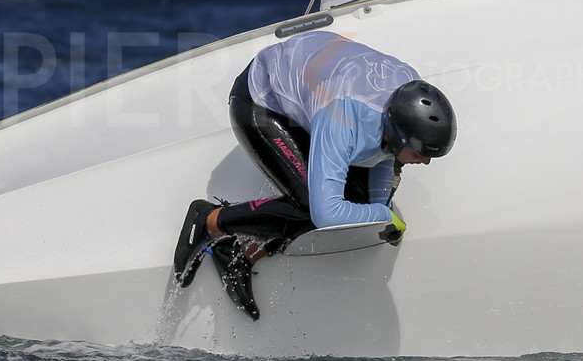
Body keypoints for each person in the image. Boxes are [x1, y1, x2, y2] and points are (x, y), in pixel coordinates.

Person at [172, 30, 457, 320]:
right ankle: (209, 220)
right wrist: (384, 216)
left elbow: (385, 157)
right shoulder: (343, 120)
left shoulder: (406, 96)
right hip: (261, 99)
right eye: (421, 153)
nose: (426, 161)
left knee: (356, 202)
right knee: (312, 208)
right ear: (398, 134)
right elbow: (327, 214)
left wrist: (379, 205)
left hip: (323, 91)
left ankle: (240, 253)